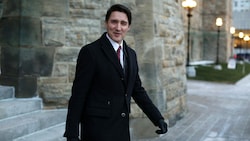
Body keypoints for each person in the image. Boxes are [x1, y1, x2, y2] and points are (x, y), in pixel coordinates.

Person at [64, 4, 168, 141]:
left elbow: (137, 90)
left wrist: (157, 117)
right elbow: (78, 95)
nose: (118, 28)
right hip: (96, 131)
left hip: (121, 131)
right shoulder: (90, 52)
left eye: (123, 23)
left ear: (128, 27)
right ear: (106, 23)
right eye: (114, 22)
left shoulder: (131, 54)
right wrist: (72, 134)